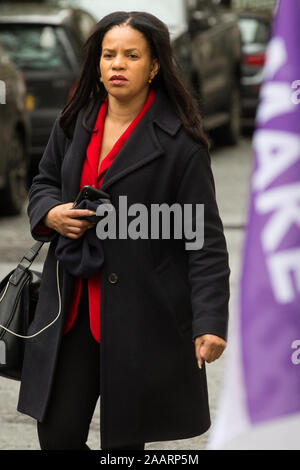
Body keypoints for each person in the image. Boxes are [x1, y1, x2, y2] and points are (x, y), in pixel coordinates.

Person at [17, 11, 230, 450]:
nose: (117, 64)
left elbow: (204, 241)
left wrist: (209, 321)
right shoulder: (74, 120)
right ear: (97, 63)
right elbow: (44, 182)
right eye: (108, 54)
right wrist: (51, 213)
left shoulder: (181, 143)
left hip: (142, 316)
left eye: (131, 55)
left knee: (125, 445)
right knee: (55, 434)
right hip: (70, 310)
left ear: (154, 66)